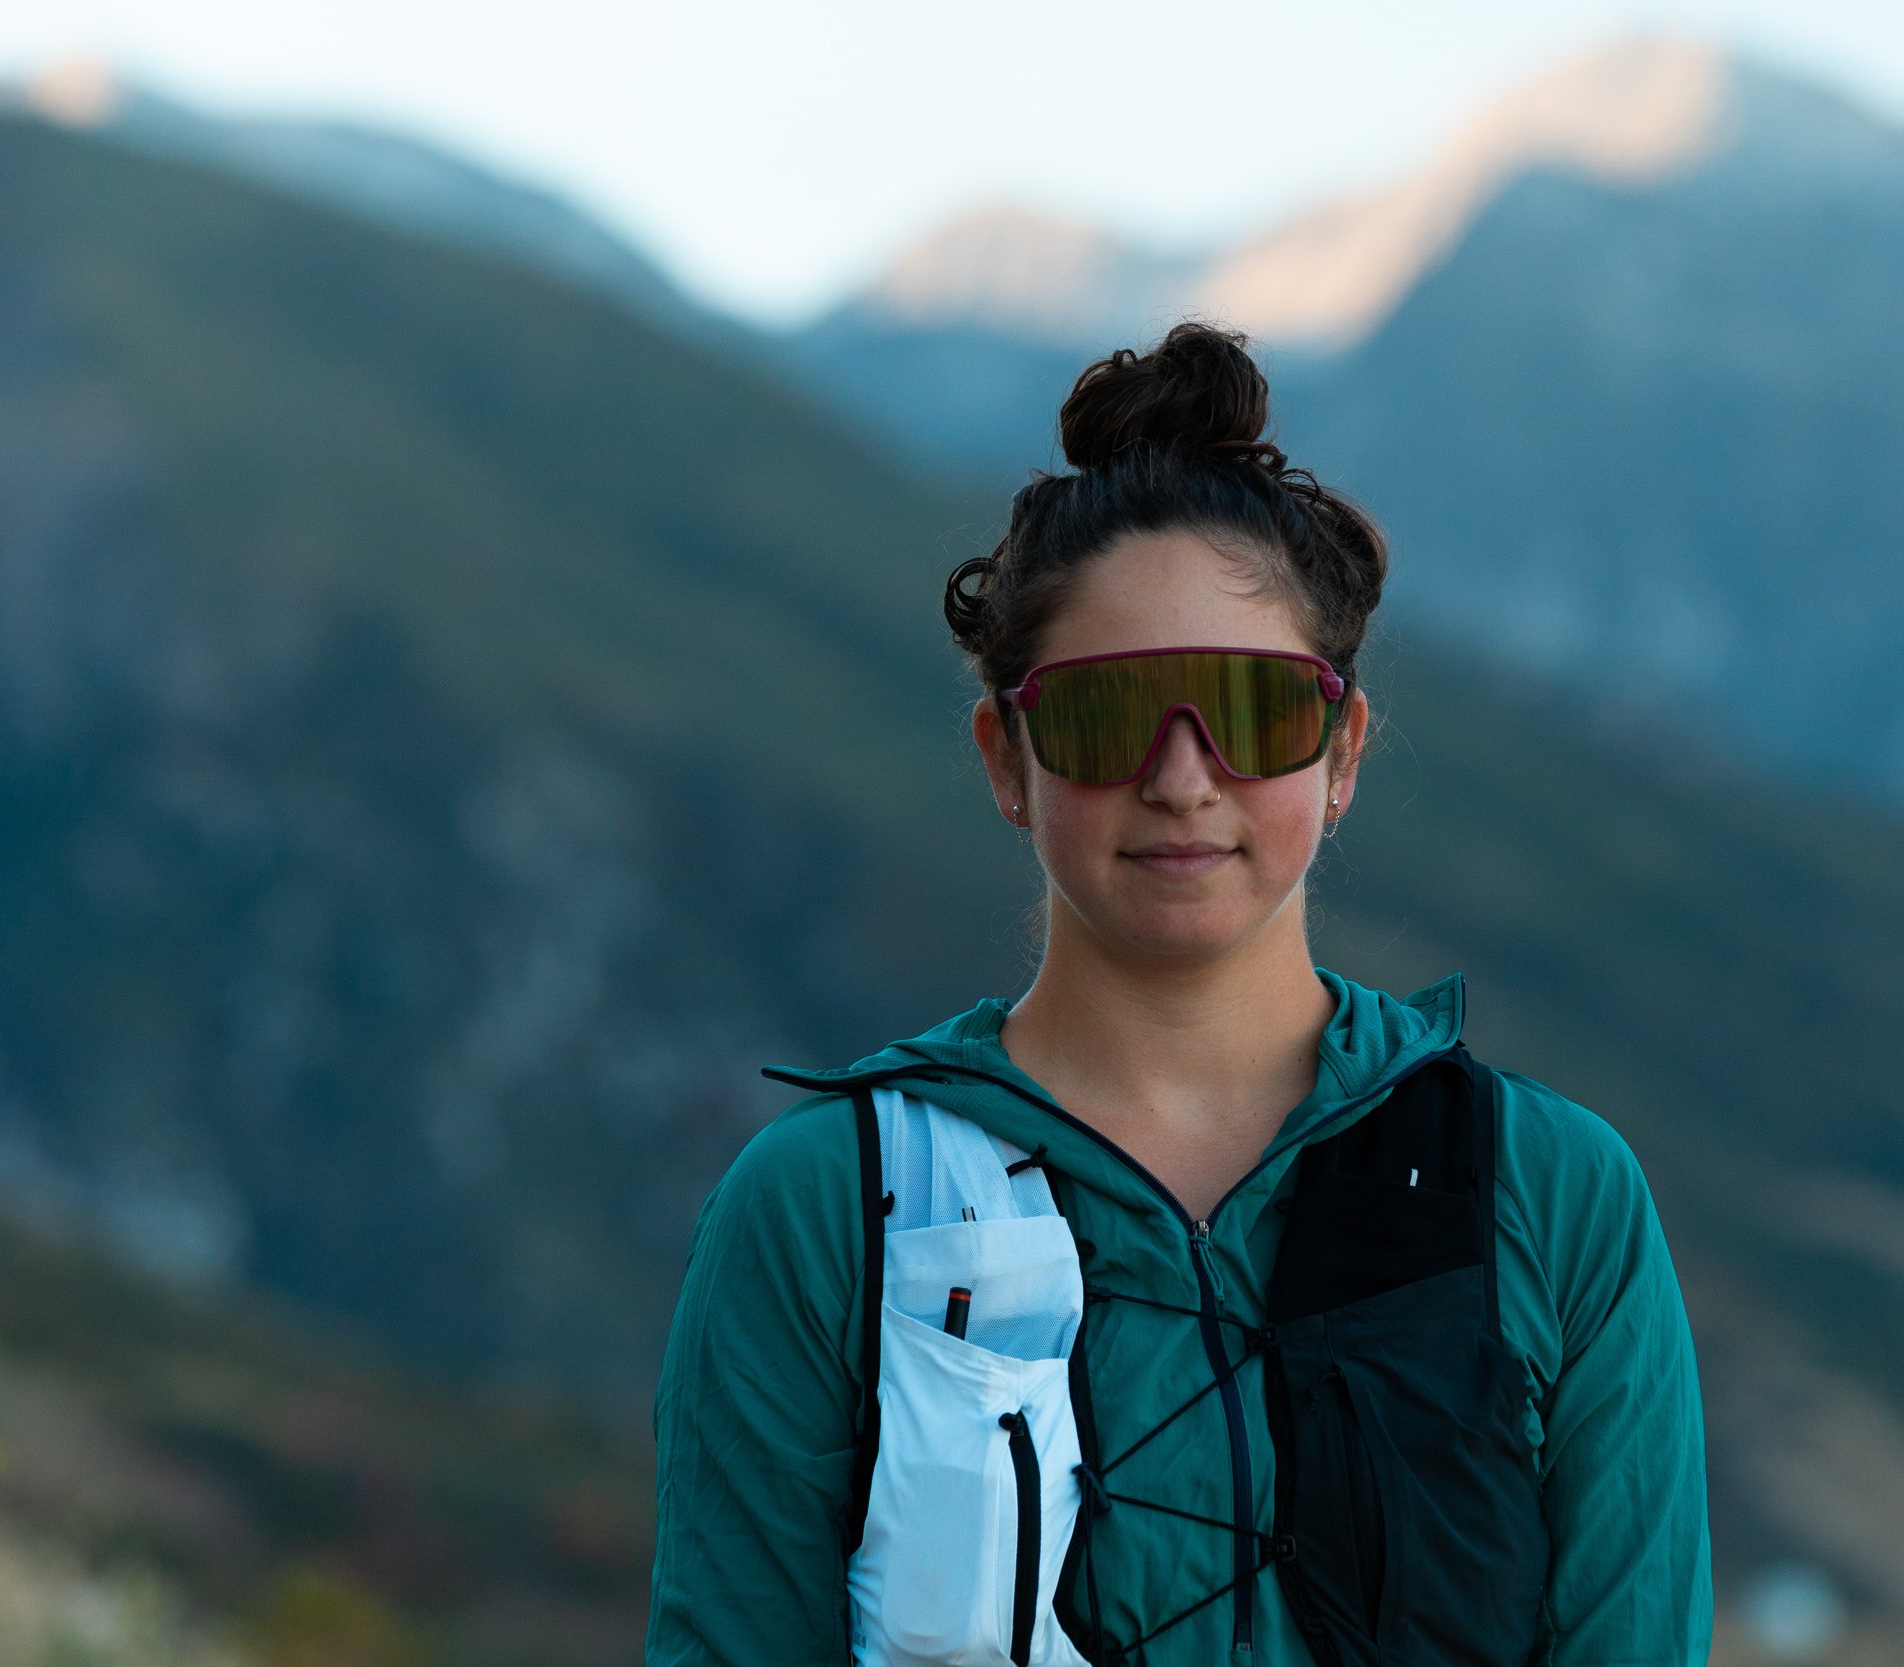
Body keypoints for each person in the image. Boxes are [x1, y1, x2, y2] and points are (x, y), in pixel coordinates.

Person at [646, 323, 1711, 1666]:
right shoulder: (827, 1208)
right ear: (1007, 756)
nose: (1182, 778)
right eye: (1107, 715)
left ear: (1342, 750)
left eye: (1254, 711)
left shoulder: (1548, 1194)